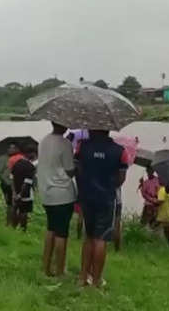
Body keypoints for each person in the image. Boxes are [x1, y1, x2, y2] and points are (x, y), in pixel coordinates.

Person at [75, 129, 129, 288]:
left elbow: (77, 170)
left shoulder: (81, 147)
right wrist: (109, 186)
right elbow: (121, 178)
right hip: (106, 199)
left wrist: (85, 185)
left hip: (87, 197)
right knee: (101, 239)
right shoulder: (120, 151)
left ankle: (83, 277)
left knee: (89, 237)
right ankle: (97, 280)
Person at [37, 121, 76, 277]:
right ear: (64, 125)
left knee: (51, 229)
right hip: (62, 194)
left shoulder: (44, 140)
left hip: (47, 193)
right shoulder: (65, 143)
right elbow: (70, 171)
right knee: (62, 233)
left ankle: (46, 267)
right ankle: (60, 270)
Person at [11, 144, 37, 232]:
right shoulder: (30, 167)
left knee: (15, 209)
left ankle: (13, 227)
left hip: (16, 190)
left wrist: (14, 193)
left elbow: (12, 179)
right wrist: (21, 194)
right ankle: (23, 230)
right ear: (31, 154)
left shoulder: (17, 164)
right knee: (24, 212)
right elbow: (27, 183)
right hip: (26, 193)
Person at [0, 143, 19, 226]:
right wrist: (4, 180)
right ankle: (8, 222)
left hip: (16, 184)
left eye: (14, 148)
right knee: (9, 204)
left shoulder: (19, 159)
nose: (12, 150)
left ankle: (14, 222)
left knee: (15, 205)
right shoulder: (2, 159)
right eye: (10, 148)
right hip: (6, 184)